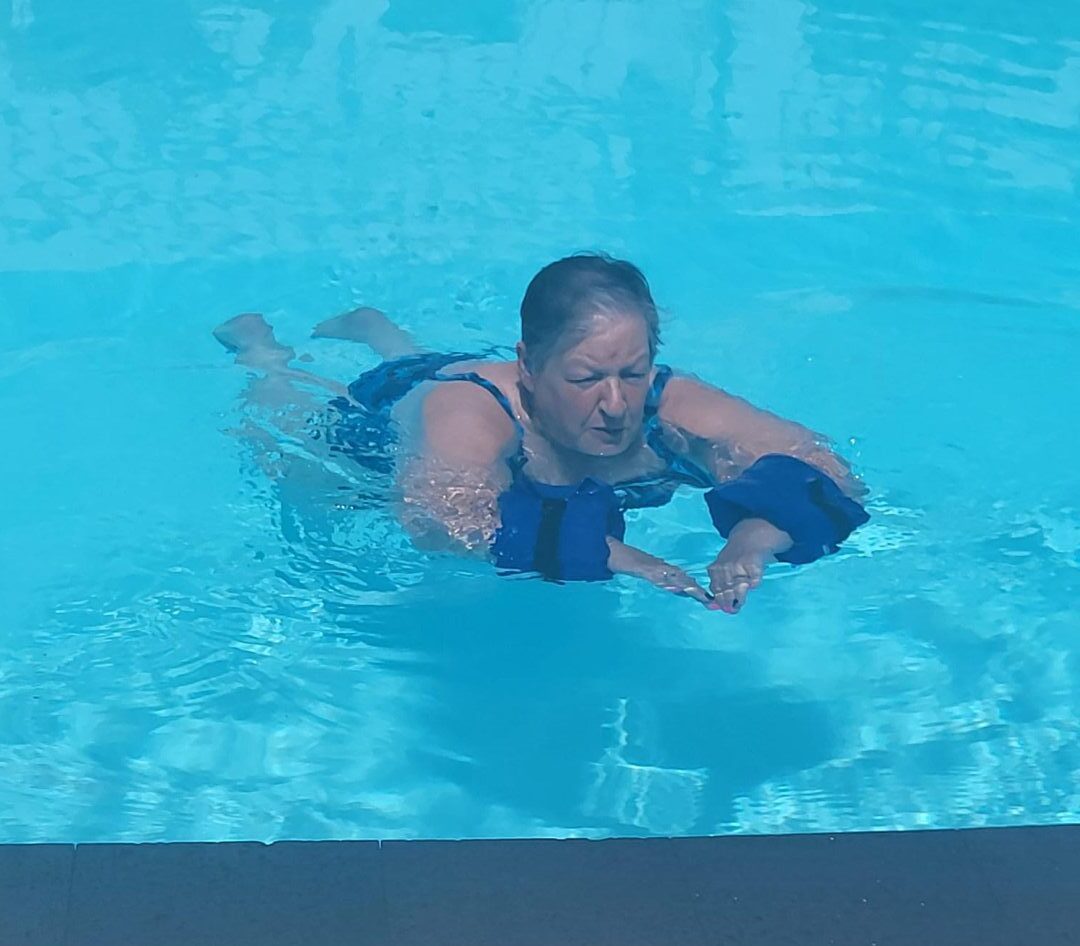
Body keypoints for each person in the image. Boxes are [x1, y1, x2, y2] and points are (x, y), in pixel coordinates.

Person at [214, 253, 868, 614]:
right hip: (387, 415)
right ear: (529, 366)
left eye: (632, 373)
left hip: (461, 380)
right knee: (283, 447)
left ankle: (378, 327)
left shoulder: (670, 404)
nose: (616, 405)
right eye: (587, 379)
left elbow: (826, 470)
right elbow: (439, 520)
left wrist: (752, 539)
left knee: (413, 357)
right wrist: (619, 553)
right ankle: (262, 350)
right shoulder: (468, 414)